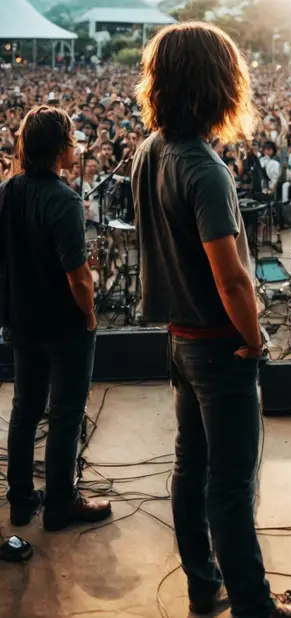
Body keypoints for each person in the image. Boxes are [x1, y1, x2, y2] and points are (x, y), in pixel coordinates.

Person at [131, 23, 291, 618]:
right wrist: (255, 340)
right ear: (217, 84)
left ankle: (204, 586)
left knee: (190, 467)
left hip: (180, 339)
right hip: (219, 345)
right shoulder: (205, 168)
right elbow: (232, 277)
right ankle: (255, 606)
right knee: (232, 485)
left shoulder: (149, 151)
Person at [0, 106, 111, 531]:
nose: (76, 146)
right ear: (59, 147)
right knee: (65, 414)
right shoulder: (64, 200)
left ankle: (20, 502)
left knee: (25, 411)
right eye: (71, 139)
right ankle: (61, 504)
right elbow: (78, 276)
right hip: (64, 326)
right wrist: (90, 313)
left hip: (21, 319)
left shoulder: (7, 191)